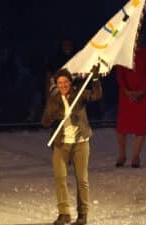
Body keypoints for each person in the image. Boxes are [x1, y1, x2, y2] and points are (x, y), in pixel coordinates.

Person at [41, 65, 102, 225]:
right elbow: (45, 121)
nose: (63, 86)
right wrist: (57, 112)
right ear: (56, 84)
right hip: (61, 144)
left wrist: (95, 78)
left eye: (66, 82)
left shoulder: (79, 94)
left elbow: (96, 95)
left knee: (82, 180)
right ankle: (64, 214)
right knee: (60, 178)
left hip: (80, 143)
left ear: (70, 82)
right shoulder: (53, 98)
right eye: (60, 83)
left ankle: (83, 215)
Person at [114, 42, 146, 168]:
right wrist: (126, 90)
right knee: (122, 125)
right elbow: (120, 72)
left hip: (142, 94)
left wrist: (142, 91)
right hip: (126, 93)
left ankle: (136, 156)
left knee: (140, 125)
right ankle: (122, 155)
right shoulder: (124, 51)